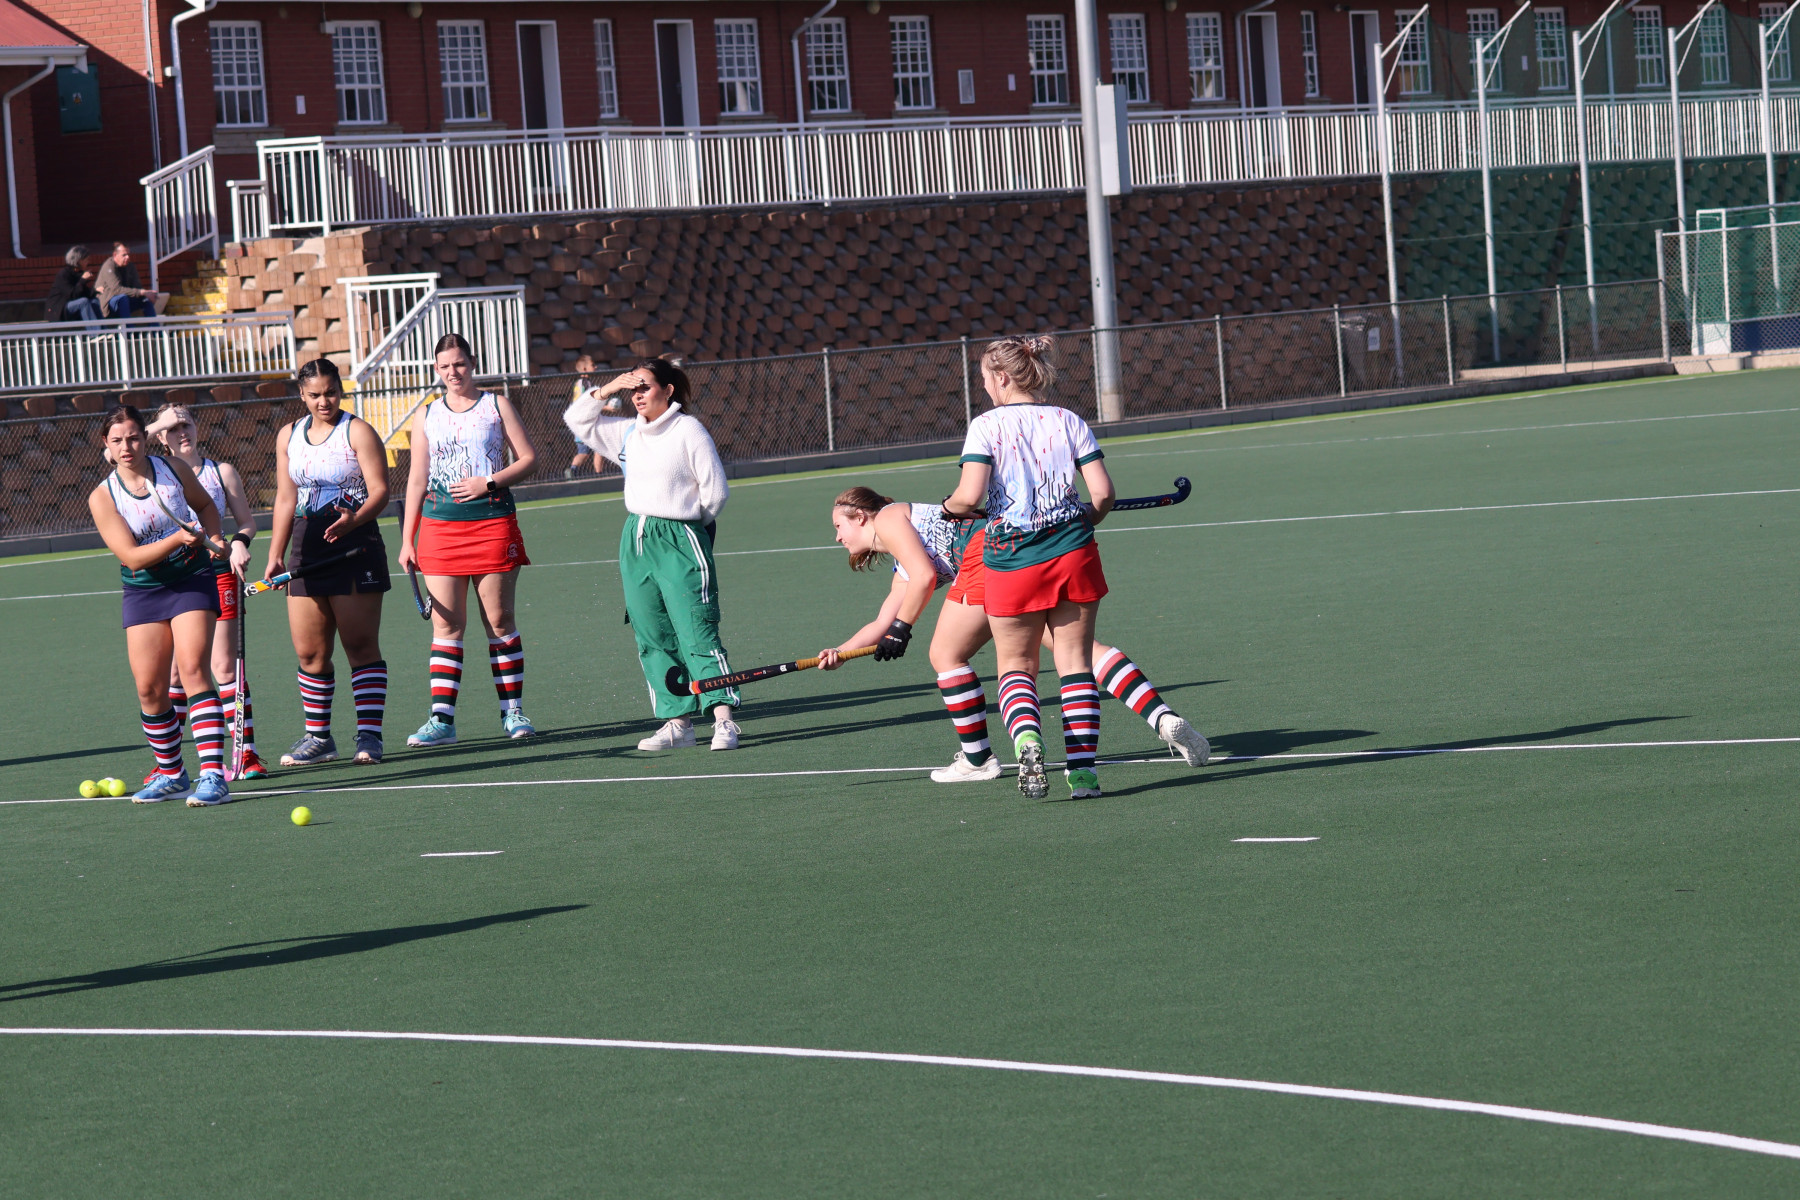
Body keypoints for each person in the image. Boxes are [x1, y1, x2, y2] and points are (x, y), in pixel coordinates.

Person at [819, 487, 1209, 784]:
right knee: (1080, 653)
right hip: (1018, 558)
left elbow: (923, 578)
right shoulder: (901, 565)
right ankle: (1164, 719)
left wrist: (902, 629)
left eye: (839, 526)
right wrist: (840, 651)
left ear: (861, 516)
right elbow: (884, 619)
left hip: (990, 558)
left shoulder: (888, 517)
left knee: (946, 655)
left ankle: (977, 760)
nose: (837, 538)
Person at [942, 335, 1116, 800]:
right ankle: (1083, 775)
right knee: (1075, 665)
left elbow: (969, 496)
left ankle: (1027, 741)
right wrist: (1088, 518)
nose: (985, 388)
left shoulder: (986, 426)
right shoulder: (1069, 420)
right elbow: (1102, 494)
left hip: (1012, 559)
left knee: (1016, 666)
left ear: (1001, 377)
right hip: (1073, 551)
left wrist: (948, 507)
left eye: (985, 379)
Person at [564, 357, 740, 751]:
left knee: (696, 628)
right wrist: (608, 389)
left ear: (668, 390)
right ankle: (678, 723)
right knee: (651, 632)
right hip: (636, 538)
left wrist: (688, 530)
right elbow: (576, 420)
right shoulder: (627, 432)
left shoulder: (688, 430)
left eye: (645, 386)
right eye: (633, 388)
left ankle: (723, 720)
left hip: (681, 535)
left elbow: (715, 492)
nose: (637, 395)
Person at [398, 333, 539, 747]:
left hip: (492, 522)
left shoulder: (496, 405)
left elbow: (530, 459)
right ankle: (442, 720)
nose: (452, 372)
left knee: (499, 621)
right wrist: (408, 540)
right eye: (444, 366)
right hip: (439, 528)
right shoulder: (426, 415)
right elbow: (417, 479)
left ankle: (513, 712)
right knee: (446, 625)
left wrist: (488, 481)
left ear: (471, 363)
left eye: (458, 364)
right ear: (436, 369)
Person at [87, 405, 232, 805]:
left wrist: (216, 539)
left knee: (193, 670)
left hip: (191, 578)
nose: (127, 447)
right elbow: (132, 558)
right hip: (144, 588)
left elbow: (206, 507)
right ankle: (172, 775)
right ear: (106, 444)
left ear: (145, 437)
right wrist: (178, 538)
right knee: (150, 689)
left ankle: (213, 776)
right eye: (117, 440)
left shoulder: (174, 469)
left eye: (134, 438)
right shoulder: (102, 496)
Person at [264, 358, 393, 765]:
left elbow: (381, 491)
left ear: (341, 389)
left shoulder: (358, 431)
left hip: (355, 545)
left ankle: (369, 737)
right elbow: (286, 498)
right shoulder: (289, 435)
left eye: (331, 392)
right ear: (302, 395)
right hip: (306, 547)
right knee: (310, 653)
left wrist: (355, 519)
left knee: (359, 645)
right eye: (315, 395)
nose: (325, 401)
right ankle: (319, 738)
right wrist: (275, 554)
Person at [144, 402, 267, 779]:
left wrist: (240, 541)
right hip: (175, 577)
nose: (182, 432)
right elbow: (117, 450)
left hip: (216, 573)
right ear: (160, 437)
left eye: (187, 423)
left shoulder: (221, 471)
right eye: (173, 427)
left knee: (223, 666)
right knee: (176, 675)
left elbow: (246, 522)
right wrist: (157, 425)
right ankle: (169, 764)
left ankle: (246, 753)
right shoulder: (153, 474)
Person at [95, 242, 161, 319]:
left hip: (126, 300)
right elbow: (116, 290)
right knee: (123, 298)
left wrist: (147, 294)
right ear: (115, 255)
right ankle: (128, 326)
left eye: (128, 254)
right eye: (124, 255)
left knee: (145, 300)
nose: (127, 257)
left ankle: (154, 326)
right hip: (109, 303)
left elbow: (138, 287)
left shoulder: (130, 266)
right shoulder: (109, 266)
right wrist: (142, 292)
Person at [46, 245, 100, 323]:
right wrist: (82, 280)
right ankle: (96, 330)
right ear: (78, 260)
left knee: (94, 302)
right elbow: (72, 295)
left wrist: (95, 291)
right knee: (83, 302)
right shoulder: (64, 274)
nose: (88, 262)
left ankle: (104, 329)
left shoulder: (79, 273)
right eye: (86, 260)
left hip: (73, 306)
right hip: (59, 309)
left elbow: (84, 293)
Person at [565, 354, 598, 478]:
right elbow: (585, 402)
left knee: (594, 450)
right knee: (586, 451)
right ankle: (573, 470)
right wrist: (605, 407)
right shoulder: (585, 383)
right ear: (584, 369)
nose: (596, 367)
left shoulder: (581, 382)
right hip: (583, 422)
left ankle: (597, 473)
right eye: (593, 365)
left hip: (584, 421)